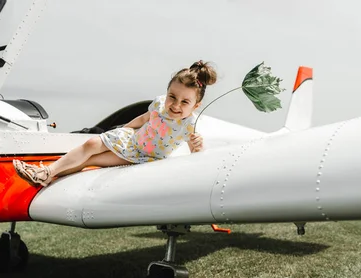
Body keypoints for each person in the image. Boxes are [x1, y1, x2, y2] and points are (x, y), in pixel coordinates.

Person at [13, 60, 217, 187]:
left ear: (196, 105)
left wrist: (198, 147)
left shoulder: (189, 124)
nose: (176, 105)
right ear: (167, 93)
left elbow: (196, 157)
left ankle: (47, 176)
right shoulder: (159, 103)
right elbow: (145, 119)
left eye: (185, 102)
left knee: (90, 161)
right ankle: (46, 172)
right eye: (173, 96)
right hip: (131, 139)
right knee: (91, 144)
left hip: (144, 155)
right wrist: (123, 129)